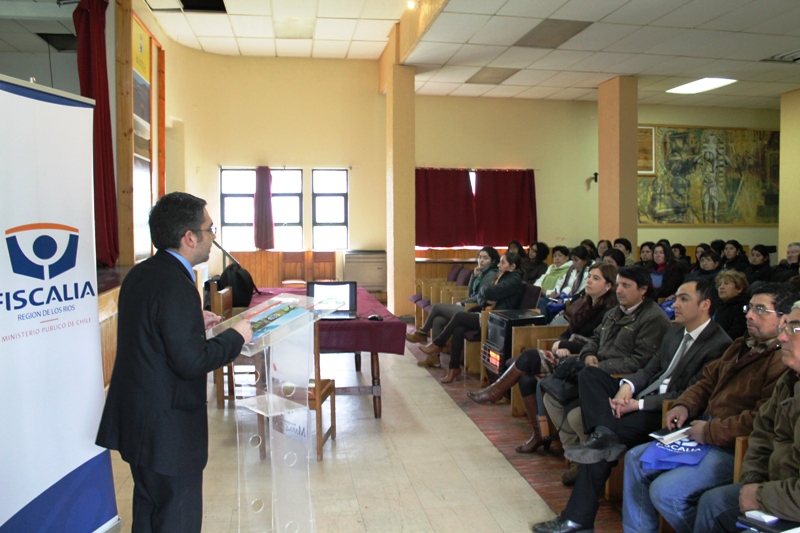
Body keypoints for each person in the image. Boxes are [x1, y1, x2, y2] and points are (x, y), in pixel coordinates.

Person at [96, 192, 254, 533]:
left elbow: (151, 330)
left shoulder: (143, 274)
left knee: (150, 513)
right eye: (210, 229)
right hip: (168, 434)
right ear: (189, 237)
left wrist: (192, 320)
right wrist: (237, 335)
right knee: (176, 519)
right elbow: (191, 362)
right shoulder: (177, 285)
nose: (213, 237)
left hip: (138, 425)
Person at [532, 280, 731, 533]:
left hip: (663, 412)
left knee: (600, 446)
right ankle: (602, 433)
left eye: (683, 299)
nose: (675, 304)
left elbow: (690, 394)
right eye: (676, 298)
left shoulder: (719, 344)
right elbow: (648, 369)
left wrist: (638, 404)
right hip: (638, 398)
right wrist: (627, 386)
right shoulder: (675, 332)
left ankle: (578, 518)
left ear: (705, 305)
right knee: (589, 376)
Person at [621, 282, 798, 533]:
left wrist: (710, 431)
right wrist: (685, 404)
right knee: (635, 459)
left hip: (730, 446)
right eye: (749, 308)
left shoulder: (781, 361)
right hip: (702, 434)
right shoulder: (741, 345)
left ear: (783, 319)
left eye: (760, 310)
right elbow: (707, 381)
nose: (748, 315)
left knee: (666, 492)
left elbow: (758, 420)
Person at [466, 263, 619, 454]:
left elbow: (597, 346)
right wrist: (561, 343)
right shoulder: (585, 305)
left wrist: (566, 346)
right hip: (565, 355)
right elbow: (567, 332)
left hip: (579, 362)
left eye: (596, 278)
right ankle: (539, 434)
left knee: (529, 356)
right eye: (589, 276)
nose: (588, 281)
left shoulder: (609, 313)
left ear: (608, 286)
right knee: (526, 377)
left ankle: (496, 391)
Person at [544, 266, 672, 484]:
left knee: (576, 415)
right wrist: (589, 354)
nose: (619, 290)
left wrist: (599, 366)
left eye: (626, 286)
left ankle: (593, 464)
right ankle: (575, 455)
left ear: (643, 290)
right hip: (594, 372)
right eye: (619, 284)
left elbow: (639, 362)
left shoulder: (653, 319)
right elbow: (593, 339)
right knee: (551, 396)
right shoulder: (615, 311)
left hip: (619, 381)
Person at [695, 301, 800, 532]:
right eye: (786, 328)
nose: (782, 338)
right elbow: (762, 434)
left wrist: (762, 496)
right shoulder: (789, 380)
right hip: (775, 487)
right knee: (713, 503)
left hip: (788, 499)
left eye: (795, 329)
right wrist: (753, 482)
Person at [419, 252, 524, 383]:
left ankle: (438, 343)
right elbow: (482, 297)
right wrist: (487, 295)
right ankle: (453, 368)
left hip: (496, 319)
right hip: (486, 313)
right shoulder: (502, 276)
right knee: (458, 329)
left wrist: (487, 293)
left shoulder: (514, 279)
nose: (499, 265)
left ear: (513, 266)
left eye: (503, 262)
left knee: (459, 316)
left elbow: (488, 291)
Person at [406, 247, 499, 351]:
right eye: (480, 257)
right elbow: (470, 293)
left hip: (475, 309)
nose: (481, 260)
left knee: (437, 307)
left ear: (493, 260)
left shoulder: (491, 274)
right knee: (438, 320)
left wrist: (463, 302)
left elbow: (480, 297)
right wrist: (474, 276)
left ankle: (422, 333)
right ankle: (434, 357)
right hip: (470, 305)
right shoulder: (482, 273)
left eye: (485, 258)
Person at [537, 246, 591, 323]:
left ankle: (546, 327)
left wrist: (565, 299)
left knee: (546, 305)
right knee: (543, 302)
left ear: (585, 260)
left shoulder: (588, 272)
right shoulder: (571, 270)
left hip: (575, 300)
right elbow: (561, 282)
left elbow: (580, 292)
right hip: (563, 297)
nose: (574, 263)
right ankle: (544, 326)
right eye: (573, 260)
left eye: (577, 260)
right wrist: (558, 292)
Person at [713, 270, 749, 340]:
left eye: (726, 283)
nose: (721, 287)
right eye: (719, 284)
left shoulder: (745, 307)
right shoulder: (718, 306)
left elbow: (738, 331)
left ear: (739, 288)